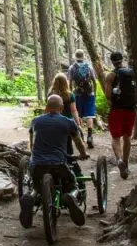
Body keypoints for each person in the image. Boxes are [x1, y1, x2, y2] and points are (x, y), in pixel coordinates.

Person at [20, 94, 89, 228]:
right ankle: (70, 196)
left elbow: (32, 143)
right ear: (62, 108)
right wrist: (83, 154)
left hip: (38, 165)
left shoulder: (36, 121)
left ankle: (30, 197)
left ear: (46, 107)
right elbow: (78, 142)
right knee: (72, 183)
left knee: (36, 186)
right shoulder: (68, 122)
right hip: (59, 164)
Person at [103, 51, 137, 179]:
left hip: (116, 109)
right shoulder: (132, 73)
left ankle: (119, 161)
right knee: (127, 137)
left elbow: (108, 95)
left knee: (115, 137)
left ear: (112, 61)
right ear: (122, 60)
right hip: (130, 109)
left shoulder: (110, 76)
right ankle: (126, 163)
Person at [66, 49, 99, 148]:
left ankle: (80, 135)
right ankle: (89, 136)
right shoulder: (89, 66)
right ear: (83, 56)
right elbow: (94, 81)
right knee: (90, 115)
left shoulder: (72, 67)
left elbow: (70, 82)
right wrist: (95, 93)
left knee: (78, 114)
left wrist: (71, 93)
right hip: (89, 93)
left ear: (75, 57)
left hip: (77, 94)